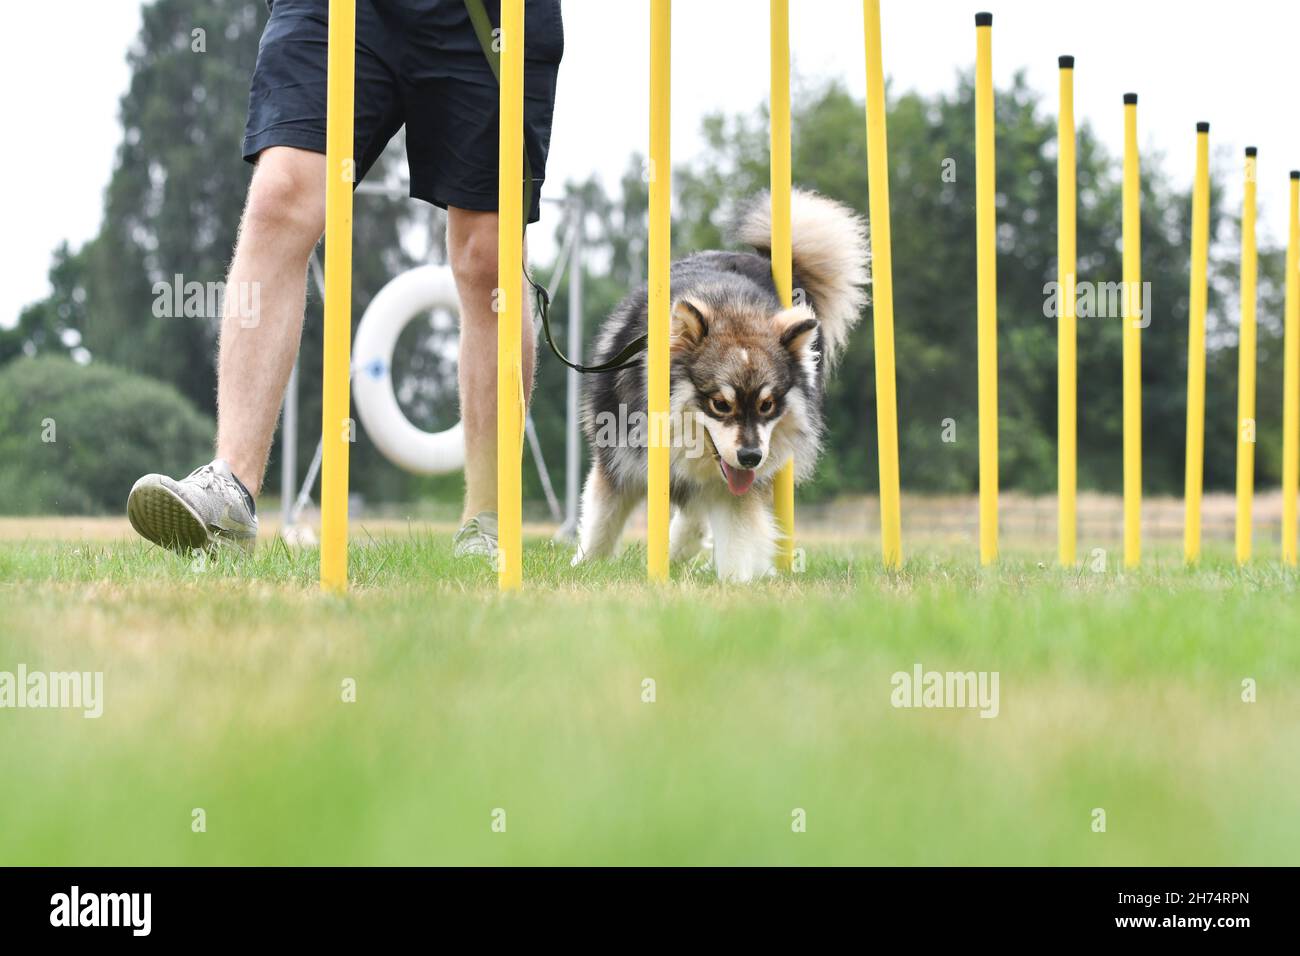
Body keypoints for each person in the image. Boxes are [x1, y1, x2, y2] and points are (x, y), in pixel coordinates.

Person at [126, 0, 563, 559]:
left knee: (487, 258)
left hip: (482, 16)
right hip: (341, 10)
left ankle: (487, 520)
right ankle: (229, 493)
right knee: (281, 195)